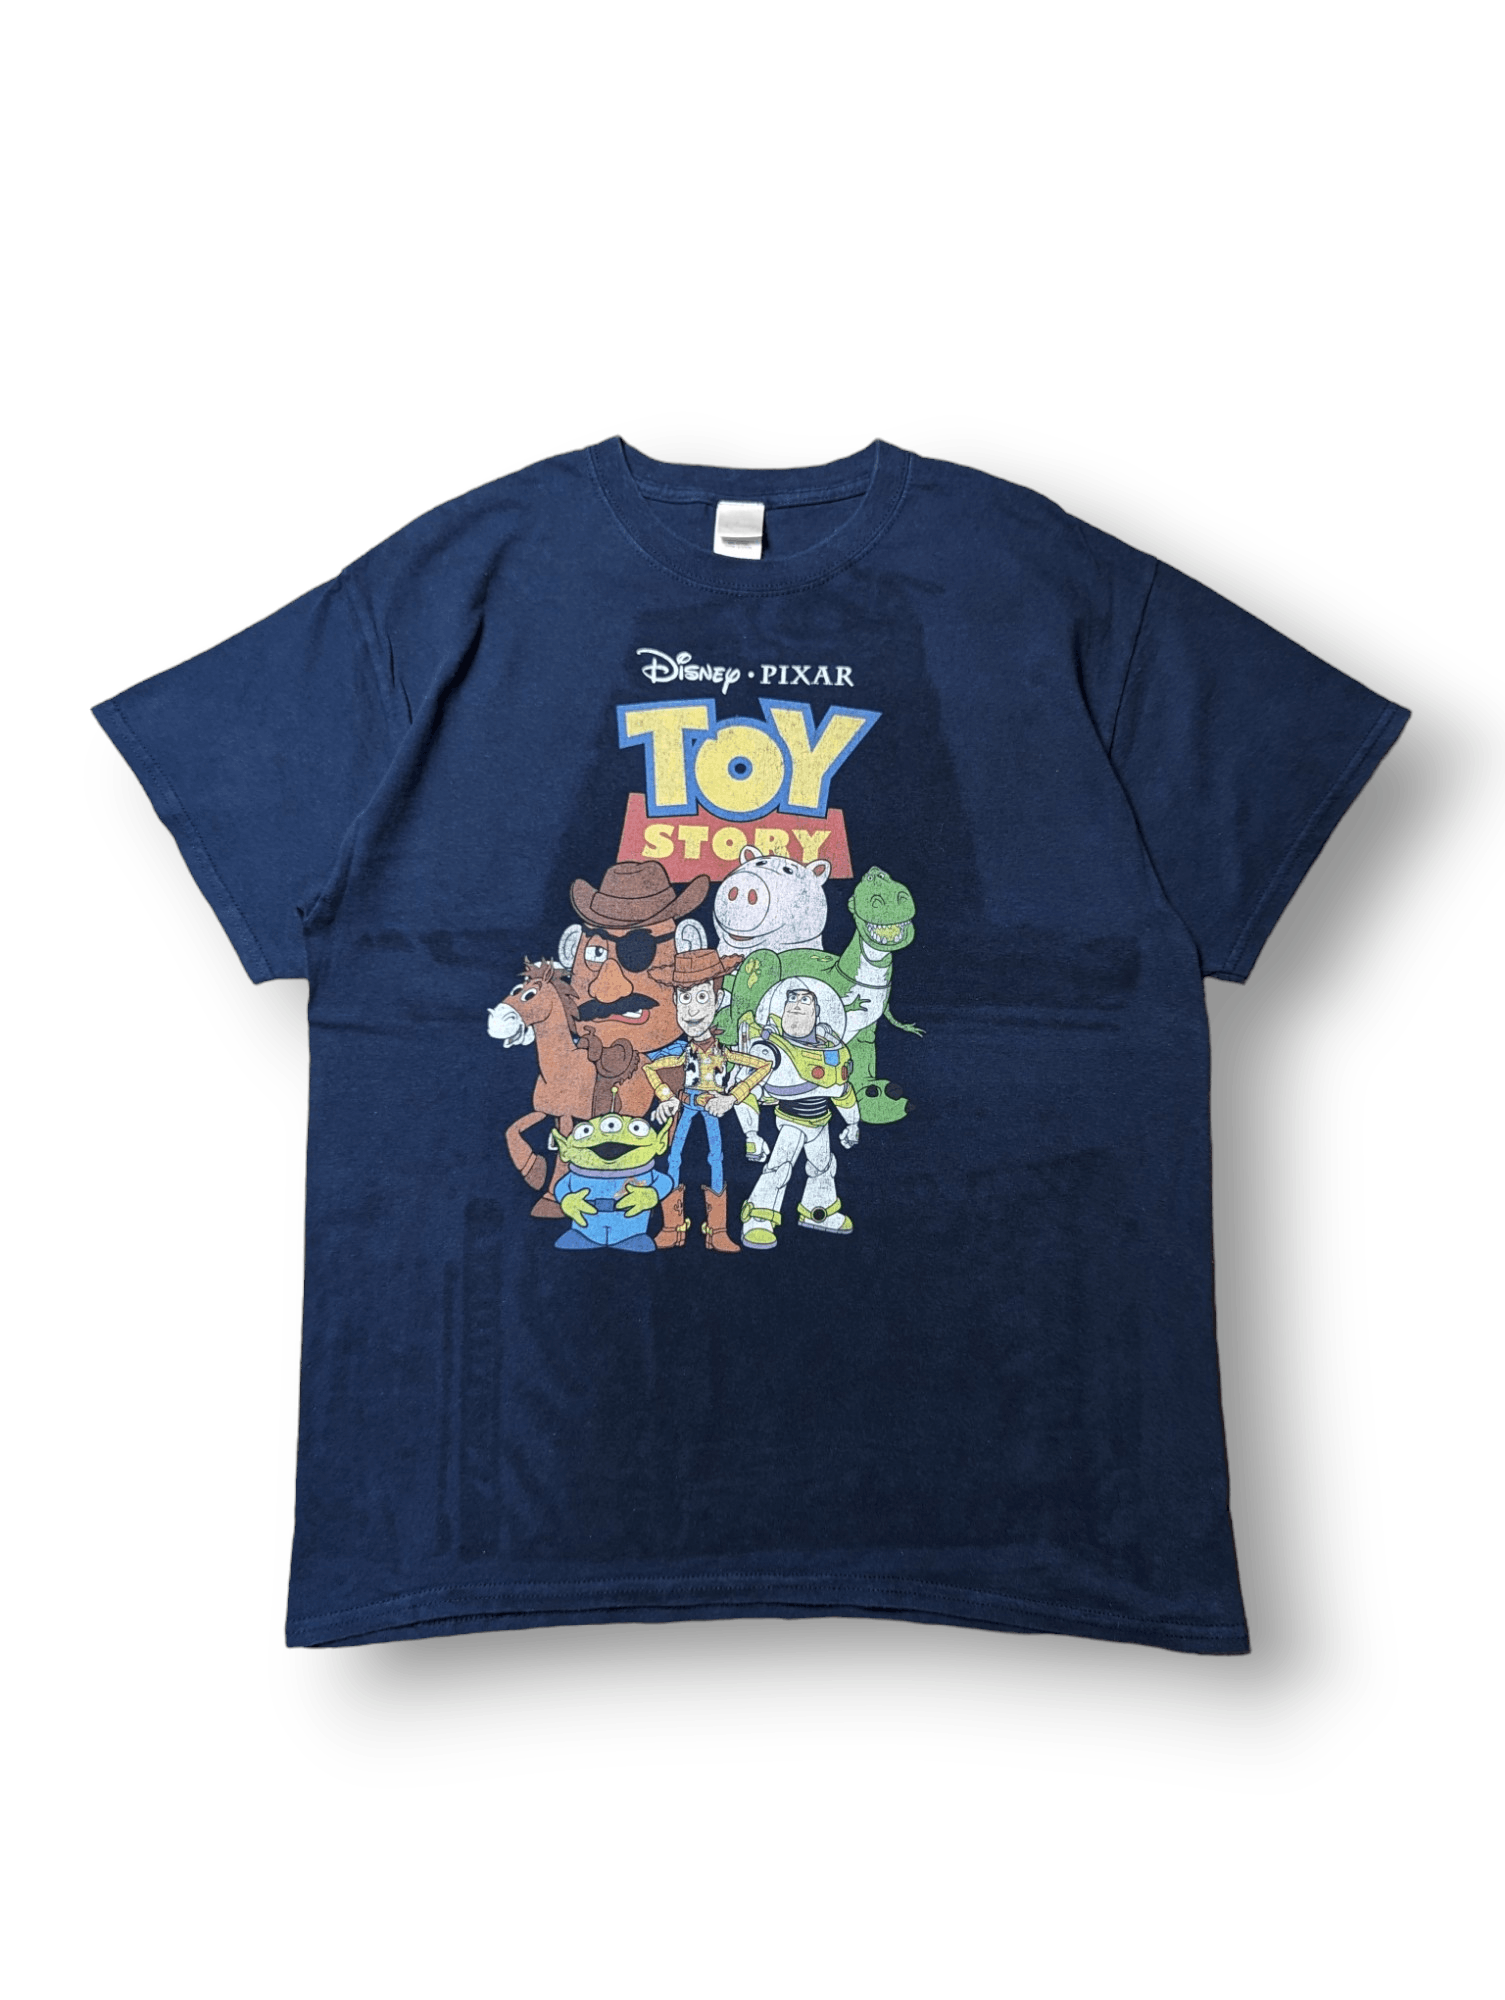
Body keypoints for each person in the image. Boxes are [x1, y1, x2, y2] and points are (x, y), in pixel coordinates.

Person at [640, 949, 772, 1252]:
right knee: (673, 1159)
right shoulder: (684, 1053)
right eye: (685, 998)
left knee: (716, 1161)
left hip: (713, 1107)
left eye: (701, 997)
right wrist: (666, 1098)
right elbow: (650, 1069)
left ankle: (717, 1230)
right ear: (675, 1001)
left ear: (718, 1000)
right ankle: (672, 1227)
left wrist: (731, 1098)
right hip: (685, 1105)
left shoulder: (724, 1053)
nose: (692, 1009)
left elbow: (763, 1066)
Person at [738, 977, 859, 1249]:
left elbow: (842, 1091)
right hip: (791, 1122)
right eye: (791, 999)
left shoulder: (831, 1047)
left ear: (817, 1012)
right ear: (780, 1009)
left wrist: (853, 1123)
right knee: (779, 1168)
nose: (797, 1004)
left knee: (823, 1166)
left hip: (821, 1122)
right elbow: (746, 1090)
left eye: (805, 1000)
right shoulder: (769, 1049)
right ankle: (758, 1219)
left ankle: (818, 1211)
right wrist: (751, 1133)